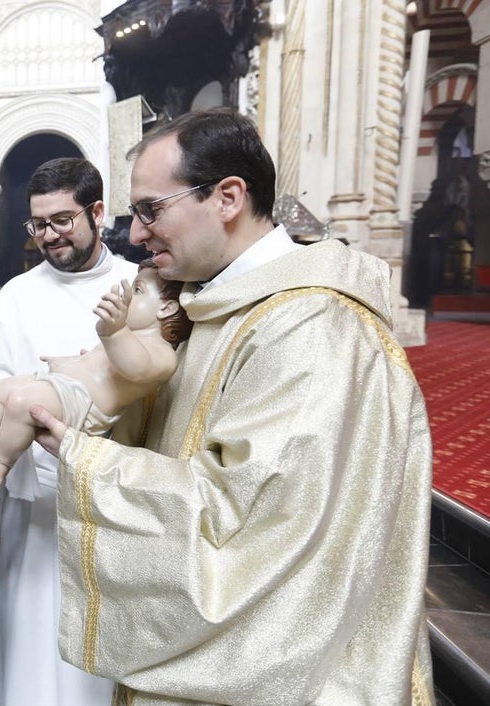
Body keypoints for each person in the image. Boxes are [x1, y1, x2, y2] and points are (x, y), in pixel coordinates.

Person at [30, 108, 434, 704]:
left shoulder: (313, 328)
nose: (135, 234)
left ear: (227, 197)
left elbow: (247, 526)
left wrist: (82, 456)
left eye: (150, 209)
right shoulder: (215, 303)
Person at [0, 157, 135, 705]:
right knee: (33, 649)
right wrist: (27, 395)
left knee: (102, 653)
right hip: (36, 511)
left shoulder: (136, 286)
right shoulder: (14, 297)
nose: (48, 235)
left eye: (62, 220)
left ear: (97, 211)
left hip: (115, 504)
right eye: (38, 223)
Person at [0, 263, 188, 493]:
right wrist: (66, 363)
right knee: (2, 389)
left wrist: (114, 331)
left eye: (138, 291)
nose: (126, 298)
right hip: (65, 387)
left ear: (166, 308)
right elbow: (93, 364)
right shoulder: (129, 334)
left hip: (85, 407)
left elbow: (135, 367)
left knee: (22, 401)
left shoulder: (163, 353)